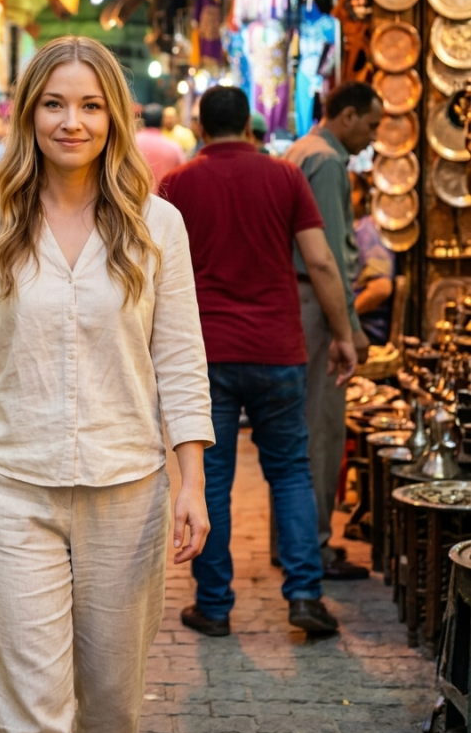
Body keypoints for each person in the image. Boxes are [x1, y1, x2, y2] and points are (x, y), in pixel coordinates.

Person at [0, 36, 214, 733]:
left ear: (113, 117)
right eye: (53, 104)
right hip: (11, 489)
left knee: (111, 705)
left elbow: (179, 359)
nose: (71, 122)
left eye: (90, 106)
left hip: (128, 491)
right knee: (34, 710)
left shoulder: (158, 228)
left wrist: (192, 482)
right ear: (27, 115)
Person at [161, 85, 356, 638]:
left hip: (206, 354)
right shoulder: (285, 177)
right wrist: (342, 334)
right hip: (278, 349)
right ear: (250, 125)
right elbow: (320, 261)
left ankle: (215, 606)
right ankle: (304, 597)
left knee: (211, 481)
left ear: (201, 128)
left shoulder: (178, 184)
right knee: (291, 472)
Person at [284, 81, 382, 580]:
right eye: (371, 124)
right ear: (346, 117)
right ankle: (313, 544)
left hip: (303, 301)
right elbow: (326, 258)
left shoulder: (305, 150)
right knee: (321, 426)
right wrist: (350, 329)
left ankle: (300, 540)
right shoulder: (325, 161)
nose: (373, 136)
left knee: (306, 426)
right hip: (317, 306)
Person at [350, 172, 395, 344]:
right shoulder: (352, 230)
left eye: (350, 190)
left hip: (366, 332)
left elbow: (380, 288)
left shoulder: (367, 231)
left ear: (361, 195)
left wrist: (345, 320)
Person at [135, 102, 185, 193]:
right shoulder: (173, 147)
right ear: (162, 121)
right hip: (164, 201)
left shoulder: (131, 143)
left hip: (133, 200)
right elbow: (182, 176)